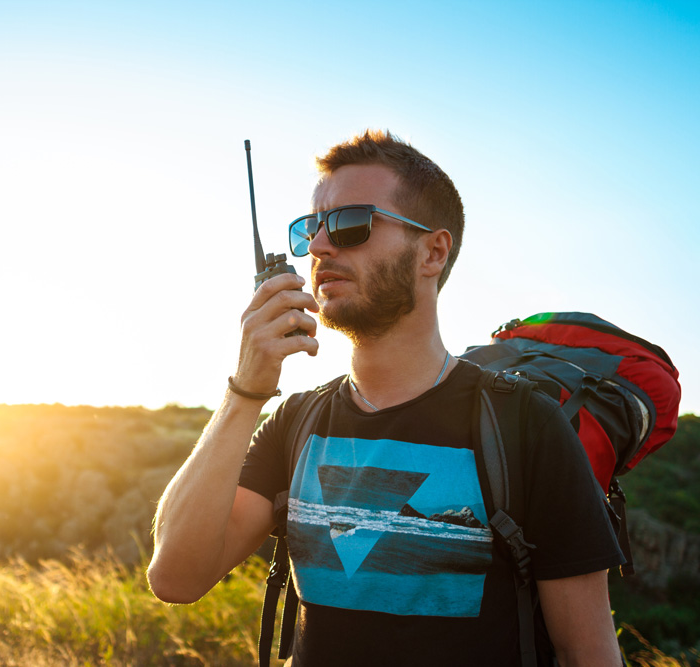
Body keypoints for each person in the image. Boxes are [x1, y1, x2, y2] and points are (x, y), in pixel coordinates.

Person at [148, 129, 625, 666]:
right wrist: (246, 392)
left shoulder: (522, 423)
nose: (320, 247)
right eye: (311, 228)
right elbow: (176, 579)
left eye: (351, 224)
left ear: (432, 252)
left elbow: (587, 653)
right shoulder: (295, 422)